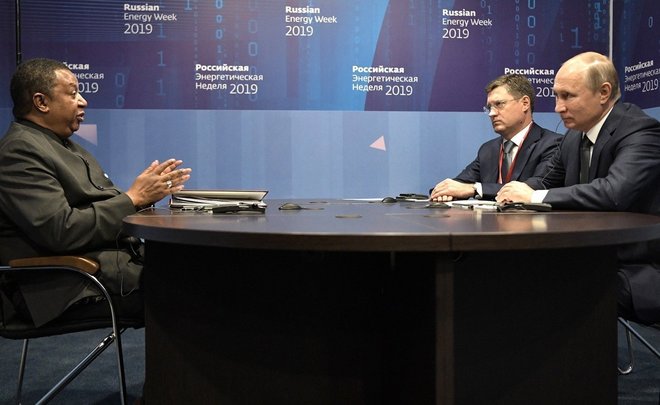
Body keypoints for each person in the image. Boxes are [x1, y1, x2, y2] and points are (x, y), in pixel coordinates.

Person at [0, 58, 192, 326]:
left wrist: (144, 198)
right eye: (72, 93)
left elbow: (103, 206)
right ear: (41, 102)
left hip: (108, 268)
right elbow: (61, 231)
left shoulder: (63, 145)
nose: (83, 101)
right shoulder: (20, 151)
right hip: (66, 285)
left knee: (203, 267)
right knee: (196, 291)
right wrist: (133, 198)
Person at [497, 51, 660, 324]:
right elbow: (545, 181)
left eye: (568, 96)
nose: (558, 107)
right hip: (589, 255)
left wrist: (533, 196)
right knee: (514, 271)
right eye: (556, 96)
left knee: (545, 290)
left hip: (636, 266)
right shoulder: (573, 137)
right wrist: (508, 192)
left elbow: (614, 193)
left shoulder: (640, 131)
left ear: (603, 93)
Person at [430, 74, 561, 201]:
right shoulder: (488, 149)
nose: (491, 113)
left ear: (525, 103)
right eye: (489, 107)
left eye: (499, 104)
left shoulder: (553, 144)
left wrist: (476, 189)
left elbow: (537, 185)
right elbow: (459, 184)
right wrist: (444, 192)